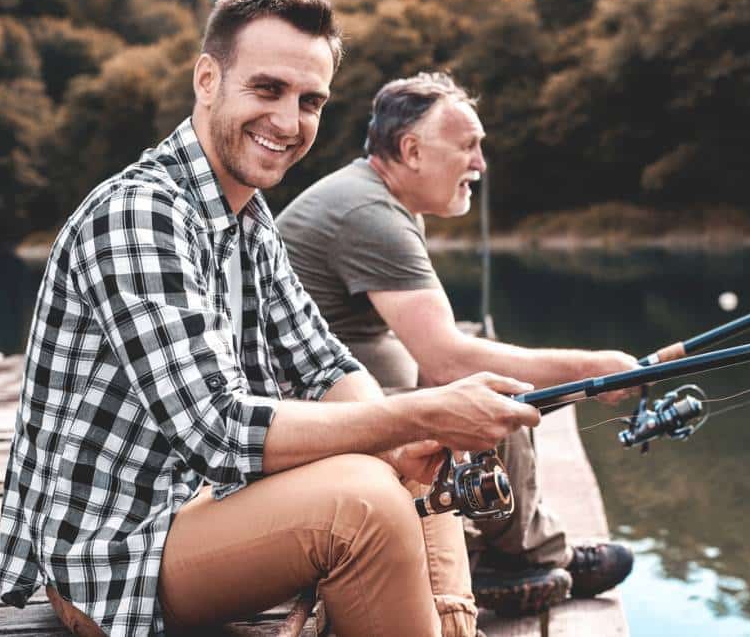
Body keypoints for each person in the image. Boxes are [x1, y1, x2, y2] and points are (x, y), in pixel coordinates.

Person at [0, 0, 538, 637]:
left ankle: (452, 628)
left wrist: (405, 439)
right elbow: (219, 430)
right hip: (114, 560)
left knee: (412, 464)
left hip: (199, 506)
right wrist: (416, 413)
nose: (289, 121)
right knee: (365, 503)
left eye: (310, 101)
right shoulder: (140, 214)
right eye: (267, 89)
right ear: (207, 79)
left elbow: (323, 362)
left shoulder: (248, 222)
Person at [276, 72, 686, 615]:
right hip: (312, 425)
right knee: (492, 392)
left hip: (335, 403)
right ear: (412, 150)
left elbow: (433, 349)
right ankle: (524, 555)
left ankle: (518, 545)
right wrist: (596, 368)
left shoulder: (374, 198)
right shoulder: (368, 213)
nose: (481, 164)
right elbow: (447, 358)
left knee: (485, 374)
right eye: (468, 146)